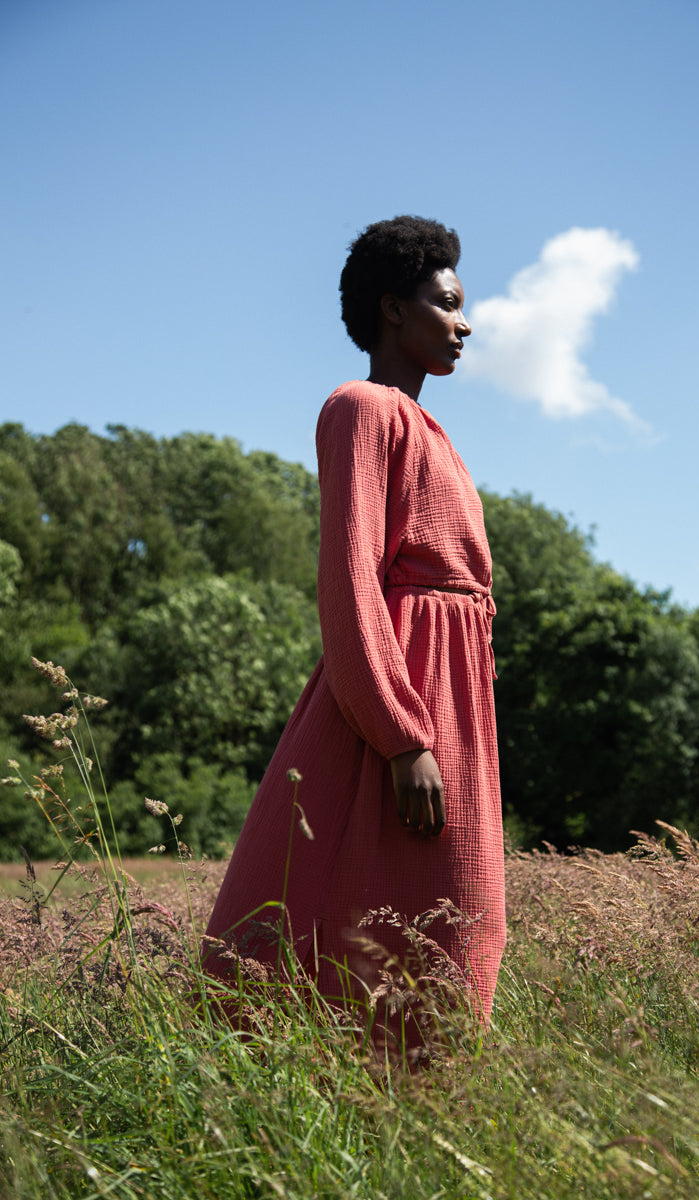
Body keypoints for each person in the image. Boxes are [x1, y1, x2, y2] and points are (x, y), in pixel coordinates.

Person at [204, 215, 506, 1043]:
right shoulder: (361, 408)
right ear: (393, 310)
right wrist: (402, 738)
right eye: (447, 303)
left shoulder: (430, 430)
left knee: (458, 916)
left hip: (452, 698)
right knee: (379, 911)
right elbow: (348, 578)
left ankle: (425, 1102)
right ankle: (309, 1086)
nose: (465, 324)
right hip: (400, 700)